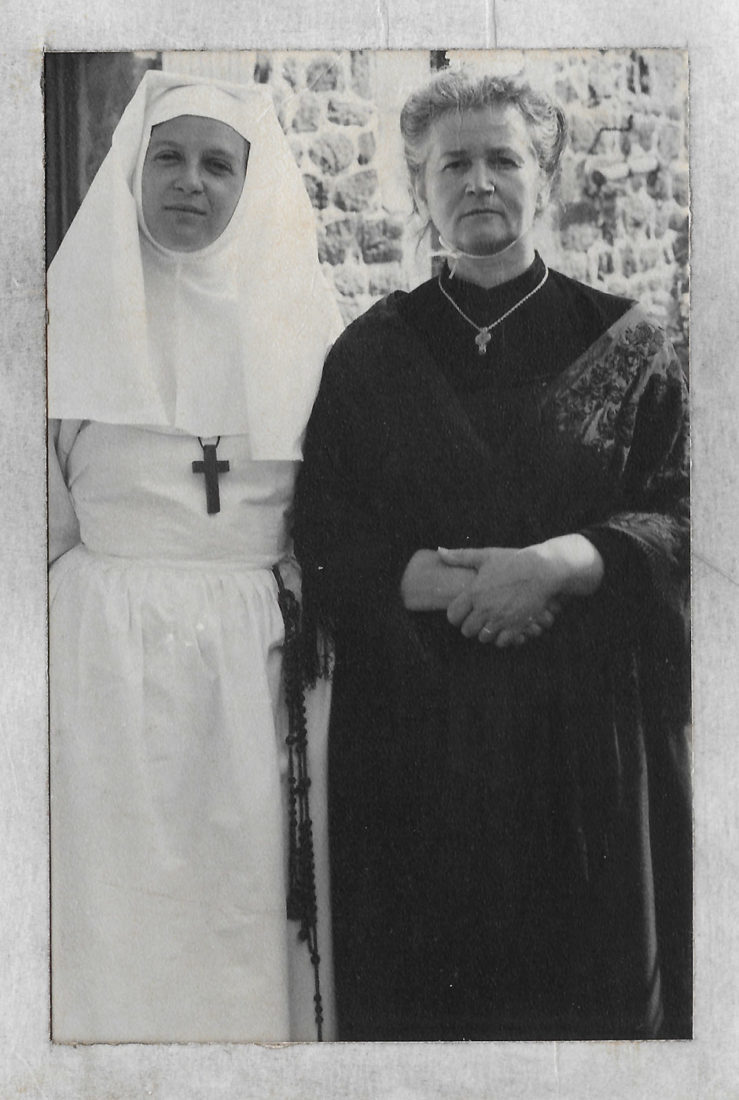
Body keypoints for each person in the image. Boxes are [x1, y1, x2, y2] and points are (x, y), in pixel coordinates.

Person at [292, 69, 691, 1041]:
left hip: (584, 750)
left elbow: (684, 519)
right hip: (415, 750)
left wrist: (556, 562)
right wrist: (445, 581)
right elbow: (323, 533)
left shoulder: (629, 342)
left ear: (543, 173)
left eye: (501, 157)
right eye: (451, 163)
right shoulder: (365, 356)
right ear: (416, 185)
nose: (477, 181)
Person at [47, 70, 341, 1043]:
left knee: (239, 902)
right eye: (168, 157)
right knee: (110, 904)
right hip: (96, 665)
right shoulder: (59, 324)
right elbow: (36, 523)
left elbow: (332, 516)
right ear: (133, 167)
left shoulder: (304, 327)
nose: (190, 181)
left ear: (249, 182)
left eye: (219, 163)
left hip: (250, 662)